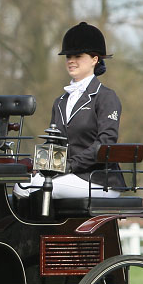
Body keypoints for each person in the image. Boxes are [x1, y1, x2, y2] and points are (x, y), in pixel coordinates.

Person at [14, 21, 125, 200]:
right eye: (68, 56)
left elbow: (105, 143)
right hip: (68, 176)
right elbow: (54, 143)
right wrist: (40, 164)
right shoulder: (60, 102)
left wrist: (70, 165)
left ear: (94, 59)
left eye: (78, 56)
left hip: (99, 180)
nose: (71, 60)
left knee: (33, 187)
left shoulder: (106, 97)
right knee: (21, 183)